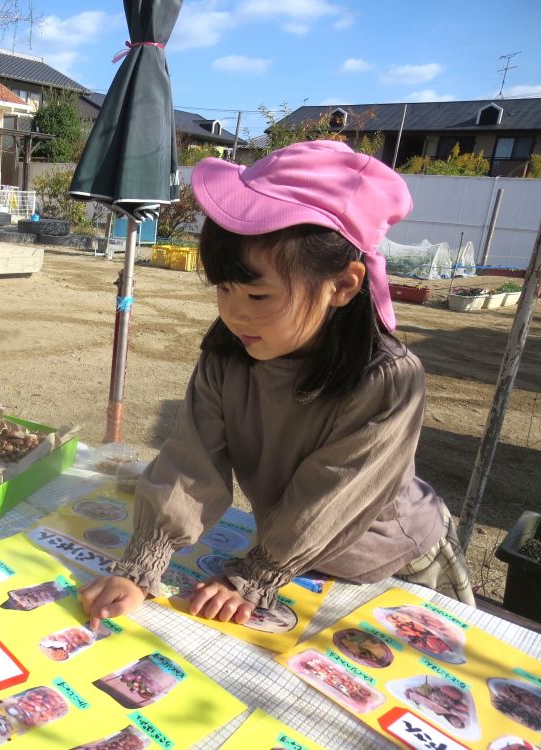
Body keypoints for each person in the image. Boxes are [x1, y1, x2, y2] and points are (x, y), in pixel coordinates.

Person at [80, 140, 474, 630]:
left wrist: (252, 576)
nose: (235, 311)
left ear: (343, 286)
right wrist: (141, 569)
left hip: (390, 561)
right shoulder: (229, 354)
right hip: (289, 557)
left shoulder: (388, 378)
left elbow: (334, 494)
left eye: (258, 293)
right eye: (223, 288)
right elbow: (190, 458)